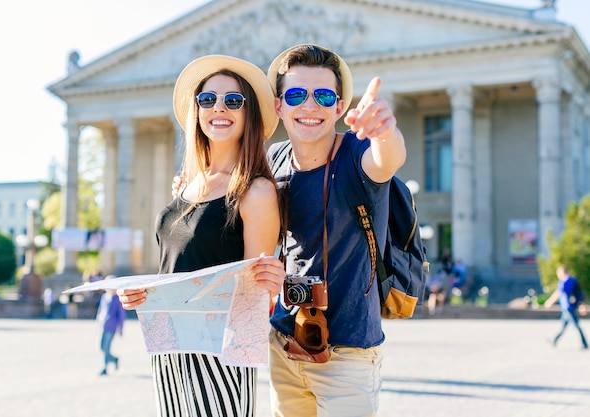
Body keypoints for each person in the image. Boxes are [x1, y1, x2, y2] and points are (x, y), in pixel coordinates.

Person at [116, 55, 284, 416]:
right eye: (207, 99)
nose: (218, 108)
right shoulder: (188, 185)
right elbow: (174, 265)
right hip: (168, 349)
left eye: (233, 100)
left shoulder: (255, 191)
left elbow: (255, 292)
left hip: (218, 355)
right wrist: (141, 294)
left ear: (249, 113)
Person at [255, 43, 407, 417]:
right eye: (295, 94)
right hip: (285, 343)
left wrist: (385, 131)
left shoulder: (357, 153)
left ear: (339, 107)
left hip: (348, 356)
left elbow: (387, 160)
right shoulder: (272, 159)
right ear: (279, 107)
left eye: (323, 95)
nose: (310, 106)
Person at [544, 265, 588, 349]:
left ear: (562, 272)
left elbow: (559, 292)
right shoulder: (570, 280)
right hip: (566, 308)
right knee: (563, 326)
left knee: (576, 326)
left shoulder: (567, 281)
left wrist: (550, 302)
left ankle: (585, 343)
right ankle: (554, 340)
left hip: (569, 308)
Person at [96, 275, 126, 375]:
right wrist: (98, 322)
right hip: (102, 325)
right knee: (101, 347)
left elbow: (121, 315)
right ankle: (114, 359)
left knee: (106, 347)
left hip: (112, 326)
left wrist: (120, 328)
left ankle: (104, 368)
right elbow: (100, 311)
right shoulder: (104, 297)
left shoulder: (117, 299)